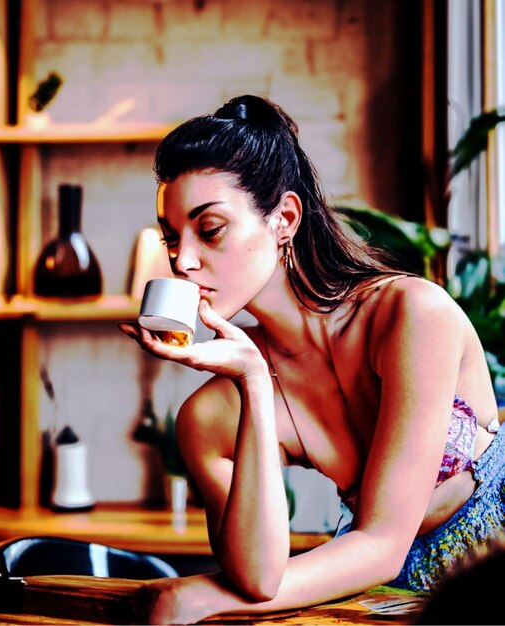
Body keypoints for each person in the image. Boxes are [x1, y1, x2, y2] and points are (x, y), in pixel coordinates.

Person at [118, 94, 505, 625]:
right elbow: (258, 576)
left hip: (495, 566)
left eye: (209, 230)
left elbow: (384, 542)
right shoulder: (208, 418)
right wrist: (254, 380)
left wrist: (203, 597)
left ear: (284, 219)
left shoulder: (411, 315)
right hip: (387, 599)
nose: (183, 260)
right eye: (172, 238)